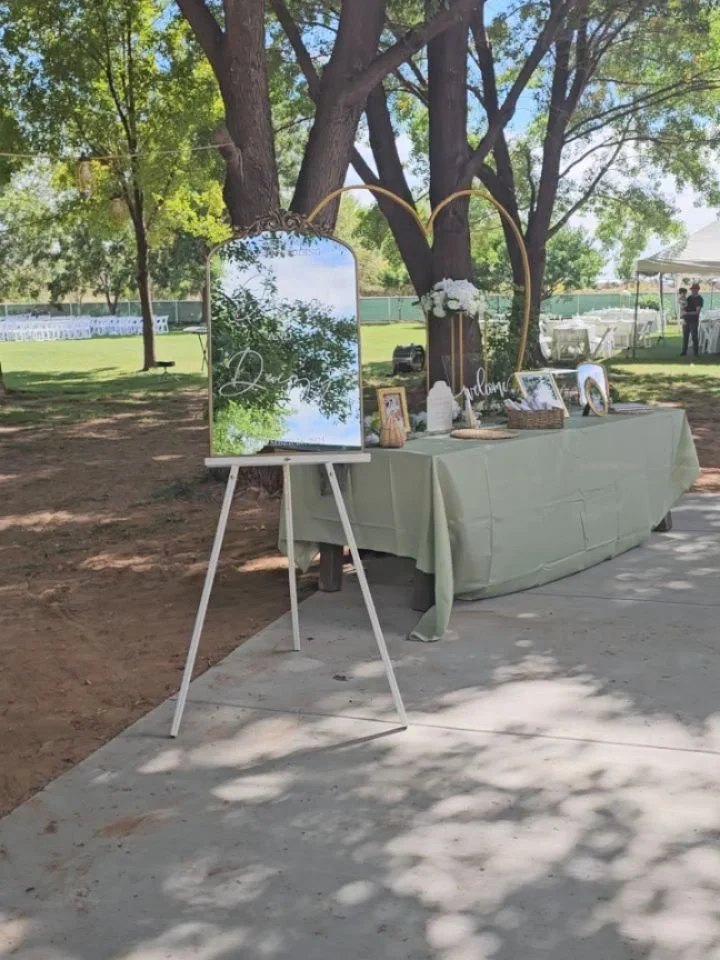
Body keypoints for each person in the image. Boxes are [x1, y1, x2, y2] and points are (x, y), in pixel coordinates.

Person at [681, 282, 704, 357]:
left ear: (698, 290)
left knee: (694, 336)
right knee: (685, 336)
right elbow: (684, 306)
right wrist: (683, 311)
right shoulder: (689, 298)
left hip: (693, 320)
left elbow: (697, 312)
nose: (693, 291)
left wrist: (687, 313)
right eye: (692, 289)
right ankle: (684, 352)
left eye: (694, 289)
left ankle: (696, 353)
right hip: (686, 320)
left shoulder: (699, 299)